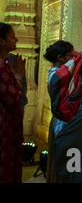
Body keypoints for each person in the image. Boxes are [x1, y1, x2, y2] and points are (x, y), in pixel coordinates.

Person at [43, 40, 76, 182]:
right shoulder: (58, 76)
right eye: (71, 55)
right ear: (60, 58)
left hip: (60, 123)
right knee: (67, 166)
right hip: (63, 124)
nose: (73, 58)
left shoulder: (57, 73)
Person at [0, 22, 26, 183]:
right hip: (4, 127)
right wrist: (19, 76)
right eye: (11, 36)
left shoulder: (5, 65)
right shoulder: (2, 67)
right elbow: (15, 97)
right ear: (1, 41)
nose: (16, 39)